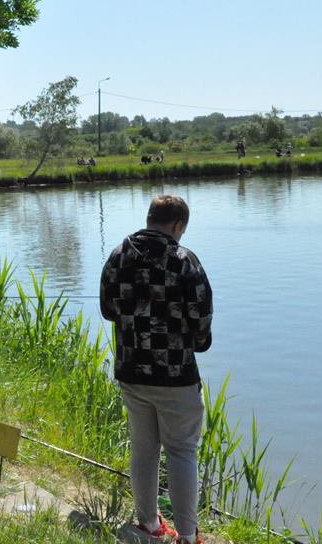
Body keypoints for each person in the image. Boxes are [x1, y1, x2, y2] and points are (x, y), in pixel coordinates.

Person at [100, 194, 213, 544]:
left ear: (150, 218)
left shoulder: (119, 255)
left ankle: (148, 524)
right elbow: (201, 317)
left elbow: (108, 309)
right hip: (176, 376)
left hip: (131, 370)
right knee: (181, 451)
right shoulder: (184, 260)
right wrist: (197, 341)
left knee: (143, 448)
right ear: (178, 225)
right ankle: (187, 536)